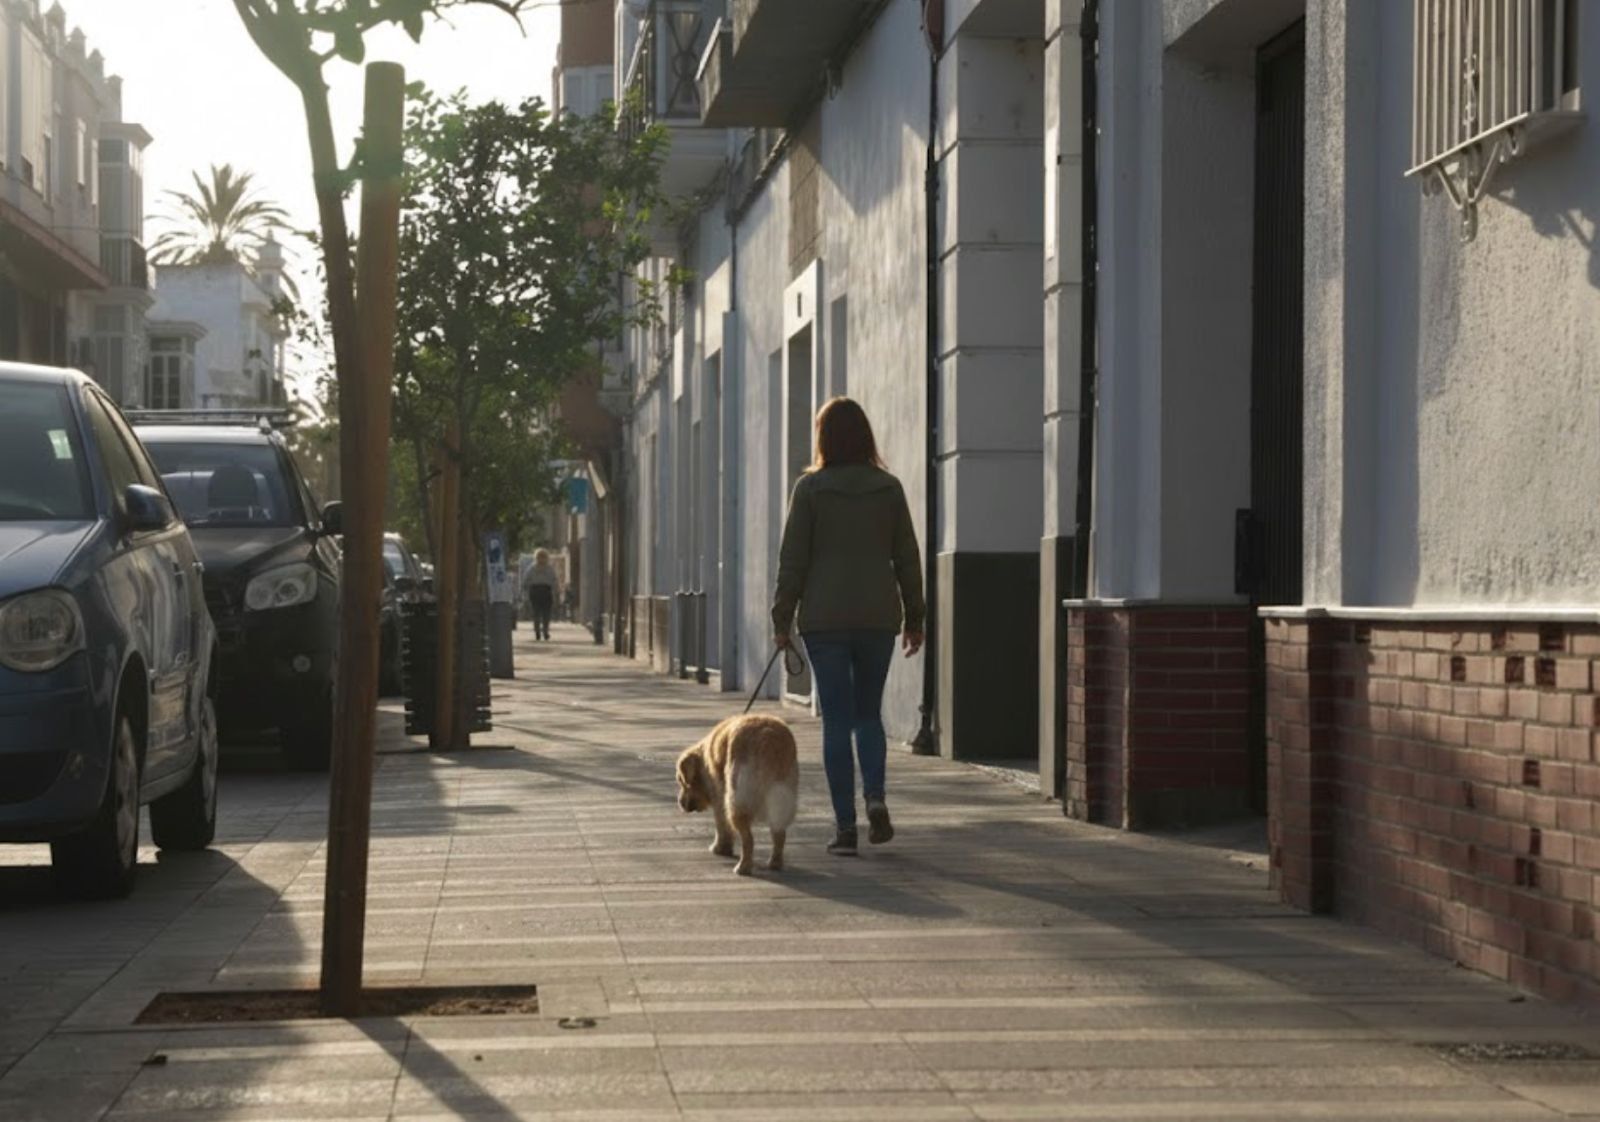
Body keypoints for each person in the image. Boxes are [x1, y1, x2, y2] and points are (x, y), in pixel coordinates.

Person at [772, 397, 925, 857]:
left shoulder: (810, 490)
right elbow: (907, 558)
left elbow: (793, 560)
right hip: (877, 617)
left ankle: (845, 829)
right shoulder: (889, 488)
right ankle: (875, 796)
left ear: (823, 437)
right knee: (868, 716)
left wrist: (782, 619)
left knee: (836, 721)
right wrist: (915, 617)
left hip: (825, 620)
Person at [525, 549, 561, 641]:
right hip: (538, 591)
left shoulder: (534, 568)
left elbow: (554, 581)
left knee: (544, 614)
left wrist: (556, 591)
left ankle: (544, 631)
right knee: (538, 613)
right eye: (539, 557)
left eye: (543, 557)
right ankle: (539, 631)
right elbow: (526, 581)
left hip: (543, 591)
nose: (541, 559)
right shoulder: (534, 568)